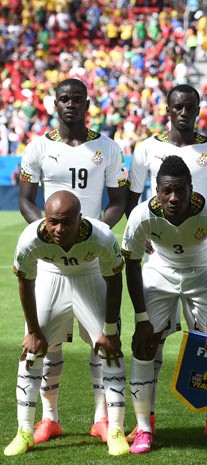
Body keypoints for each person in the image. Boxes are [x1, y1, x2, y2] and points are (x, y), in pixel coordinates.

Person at [17, 78, 127, 445]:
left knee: (104, 342)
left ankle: (102, 420)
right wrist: (49, 234)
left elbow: (118, 201)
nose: (70, 104)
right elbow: (26, 200)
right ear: (55, 103)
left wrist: (92, 233)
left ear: (87, 104)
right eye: (64, 99)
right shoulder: (37, 147)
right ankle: (49, 419)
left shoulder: (108, 148)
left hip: (92, 261)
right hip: (51, 264)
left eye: (76, 99)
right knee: (46, 344)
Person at [125, 83, 207, 440]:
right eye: (178, 106)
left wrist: (199, 229)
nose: (184, 112)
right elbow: (133, 202)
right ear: (168, 109)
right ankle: (145, 425)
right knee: (146, 342)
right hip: (160, 266)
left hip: (203, 263)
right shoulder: (146, 149)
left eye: (191, 106)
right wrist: (151, 236)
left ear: (198, 108)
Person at [4, 191, 129, 457]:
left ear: (80, 219)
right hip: (51, 277)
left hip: (90, 275)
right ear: (45, 219)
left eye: (67, 222)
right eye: (53, 222)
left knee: (110, 351)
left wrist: (109, 330)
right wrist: (34, 331)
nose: (59, 229)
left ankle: (113, 427)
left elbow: (115, 280)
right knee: (32, 352)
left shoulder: (102, 237)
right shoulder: (30, 238)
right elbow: (25, 282)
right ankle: (25, 430)